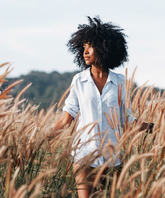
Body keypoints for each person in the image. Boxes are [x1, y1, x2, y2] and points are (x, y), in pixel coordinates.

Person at [51, 16, 152, 198]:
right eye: (83, 47)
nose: (85, 51)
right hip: (84, 154)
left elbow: (126, 119)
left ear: (105, 47)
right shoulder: (79, 81)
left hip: (112, 156)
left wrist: (153, 127)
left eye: (90, 47)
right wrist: (41, 140)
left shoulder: (120, 81)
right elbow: (66, 119)